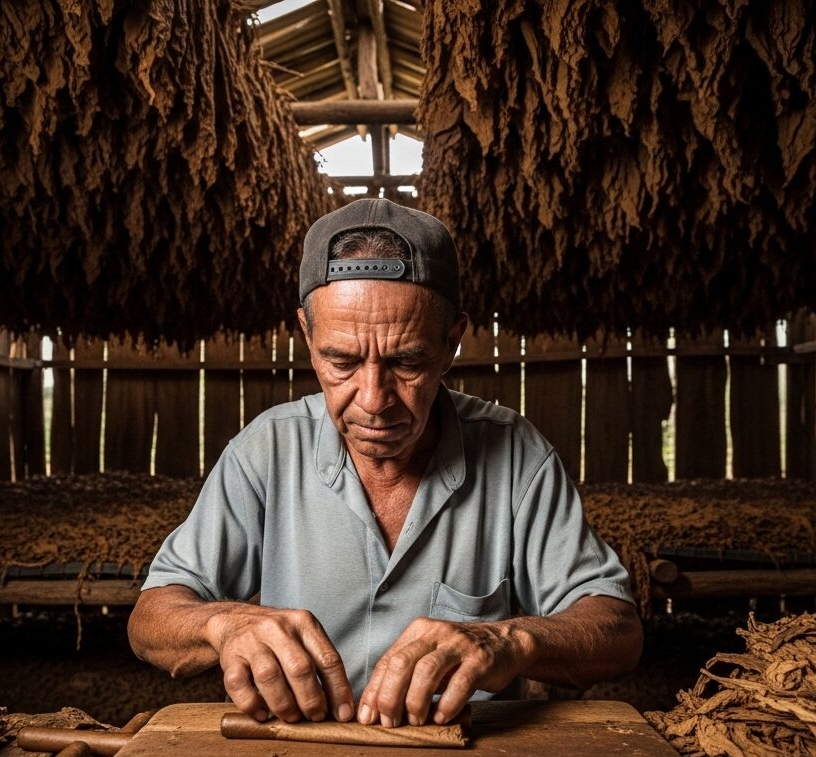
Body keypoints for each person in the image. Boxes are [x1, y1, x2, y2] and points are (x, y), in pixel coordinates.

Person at [129, 198, 641, 729]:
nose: (374, 399)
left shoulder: (517, 456)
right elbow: (150, 620)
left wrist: (506, 639)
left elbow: (618, 629)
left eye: (407, 362)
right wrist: (226, 624)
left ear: (451, 344)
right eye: (342, 361)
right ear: (307, 337)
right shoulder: (265, 452)